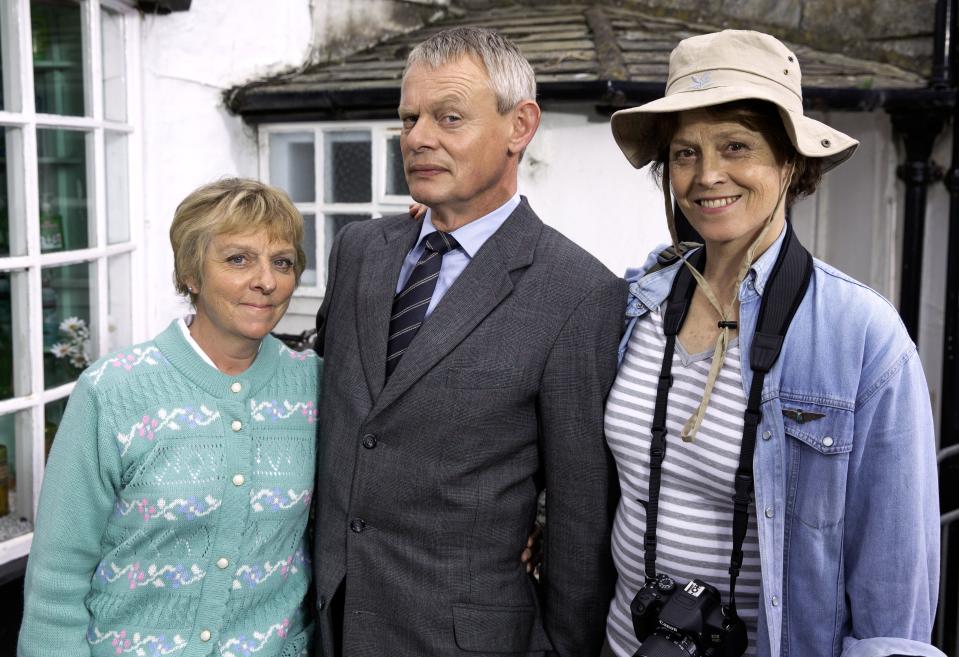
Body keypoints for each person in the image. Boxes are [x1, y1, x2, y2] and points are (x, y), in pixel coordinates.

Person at [602, 30, 942, 657]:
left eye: (736, 146)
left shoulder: (863, 337)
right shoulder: (636, 304)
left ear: (789, 161)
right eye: (684, 153)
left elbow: (895, 598)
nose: (707, 176)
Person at [312, 26, 625, 657]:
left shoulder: (578, 292)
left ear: (520, 126)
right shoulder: (358, 252)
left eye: (448, 117)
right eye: (409, 118)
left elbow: (579, 513)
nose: (419, 137)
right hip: (328, 622)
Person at [18, 179, 320, 657]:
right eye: (238, 259)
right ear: (191, 273)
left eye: (281, 262)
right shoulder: (115, 390)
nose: (266, 280)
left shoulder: (316, 387)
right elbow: (59, 571)